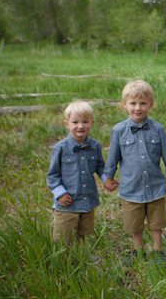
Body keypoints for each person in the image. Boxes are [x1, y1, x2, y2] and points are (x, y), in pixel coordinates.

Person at [104, 80, 166, 263]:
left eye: (143, 103)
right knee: (134, 223)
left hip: (155, 186)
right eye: (133, 103)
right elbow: (113, 157)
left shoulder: (158, 129)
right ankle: (137, 249)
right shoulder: (119, 131)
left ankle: (157, 249)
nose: (138, 108)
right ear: (124, 105)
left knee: (156, 222)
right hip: (131, 186)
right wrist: (108, 177)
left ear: (150, 104)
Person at [47, 100, 109, 242]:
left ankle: (81, 257)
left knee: (84, 233)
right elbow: (52, 175)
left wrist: (106, 179)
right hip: (67, 203)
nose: (80, 126)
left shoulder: (95, 145)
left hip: (88, 200)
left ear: (92, 122)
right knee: (63, 236)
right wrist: (60, 194)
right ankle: (64, 261)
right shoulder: (60, 148)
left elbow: (100, 166)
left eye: (85, 122)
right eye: (75, 122)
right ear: (66, 124)